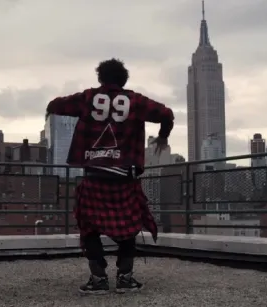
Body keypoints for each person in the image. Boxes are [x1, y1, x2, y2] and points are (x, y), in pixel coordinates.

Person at [45, 58, 174, 295]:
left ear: (100, 78)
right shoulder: (135, 101)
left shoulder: (87, 98)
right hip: (124, 177)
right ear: (124, 80)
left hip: (94, 175)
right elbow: (166, 113)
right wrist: (163, 137)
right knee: (129, 225)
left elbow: (55, 105)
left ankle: (98, 279)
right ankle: (125, 278)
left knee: (89, 228)